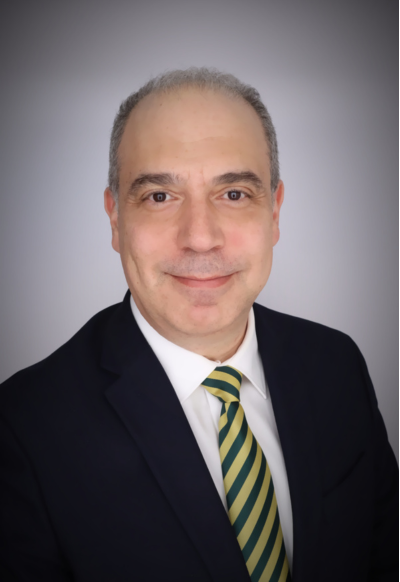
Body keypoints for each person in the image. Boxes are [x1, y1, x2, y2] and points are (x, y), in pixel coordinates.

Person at [0, 68, 397, 582]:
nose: (201, 237)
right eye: (159, 196)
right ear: (115, 218)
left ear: (274, 213)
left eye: (234, 194)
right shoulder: (24, 428)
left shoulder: (337, 364)